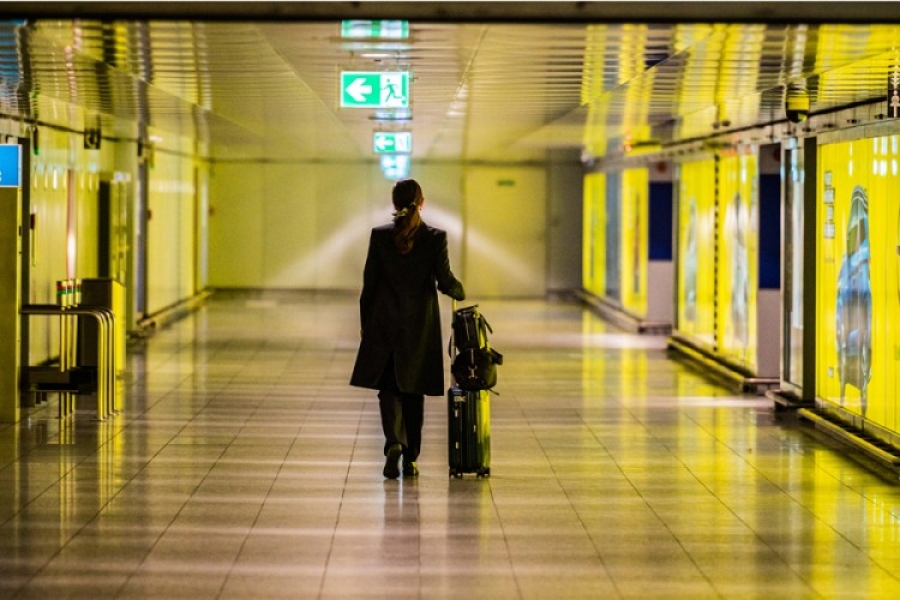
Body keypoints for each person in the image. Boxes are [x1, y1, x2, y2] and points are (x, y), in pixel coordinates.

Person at [350, 179, 466, 479]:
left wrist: (365, 324)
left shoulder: (380, 237)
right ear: (421, 202)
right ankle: (411, 458)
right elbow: (445, 280)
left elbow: (369, 285)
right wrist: (459, 290)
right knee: (414, 391)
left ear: (394, 203)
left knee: (389, 388)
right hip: (419, 326)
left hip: (384, 323)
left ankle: (393, 442)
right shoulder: (435, 238)